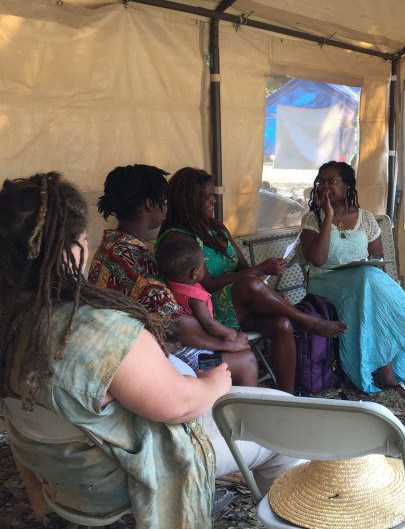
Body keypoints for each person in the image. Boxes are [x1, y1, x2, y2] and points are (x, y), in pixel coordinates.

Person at [0, 172, 299, 525]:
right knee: (287, 427)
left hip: (70, 473)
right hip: (127, 474)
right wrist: (216, 382)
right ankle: (296, 513)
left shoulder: (12, 322)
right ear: (68, 247)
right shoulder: (101, 331)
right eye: (83, 236)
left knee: (280, 405)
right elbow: (181, 405)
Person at [158, 167, 347, 394]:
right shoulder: (177, 238)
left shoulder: (216, 228)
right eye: (206, 196)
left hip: (239, 307)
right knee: (249, 284)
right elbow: (205, 284)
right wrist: (261, 270)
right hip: (205, 314)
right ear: (188, 200)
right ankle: (305, 320)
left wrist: (270, 294)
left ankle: (286, 397)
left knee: (282, 324)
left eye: (212, 195)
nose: (213, 201)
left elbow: (243, 268)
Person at [88, 164, 257, 386]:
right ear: (150, 204)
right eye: (164, 200)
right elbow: (177, 324)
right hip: (159, 358)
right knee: (245, 359)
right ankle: (225, 417)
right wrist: (228, 344)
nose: (167, 205)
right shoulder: (137, 261)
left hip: (126, 347)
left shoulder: (111, 246)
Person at [300, 161, 405, 401]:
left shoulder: (366, 219)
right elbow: (316, 259)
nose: (326, 186)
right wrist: (328, 217)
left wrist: (362, 267)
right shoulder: (312, 218)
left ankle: (385, 373)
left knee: (370, 282)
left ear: (347, 186)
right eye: (322, 181)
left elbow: (377, 260)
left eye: (332, 181)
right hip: (325, 282)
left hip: (361, 282)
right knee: (368, 280)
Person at [158, 236, 240, 345]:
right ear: (194, 273)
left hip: (185, 338)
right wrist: (229, 333)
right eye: (202, 266)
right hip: (204, 341)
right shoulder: (195, 298)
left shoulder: (170, 286)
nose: (204, 270)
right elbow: (209, 324)